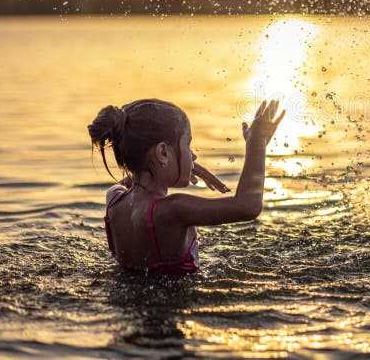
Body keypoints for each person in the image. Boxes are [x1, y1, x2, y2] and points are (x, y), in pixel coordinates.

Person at [88, 98, 284, 274]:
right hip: (176, 311)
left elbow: (132, 181)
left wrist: (175, 168)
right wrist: (257, 141)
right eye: (188, 146)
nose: (193, 156)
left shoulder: (113, 200)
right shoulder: (173, 209)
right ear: (163, 153)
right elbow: (248, 206)